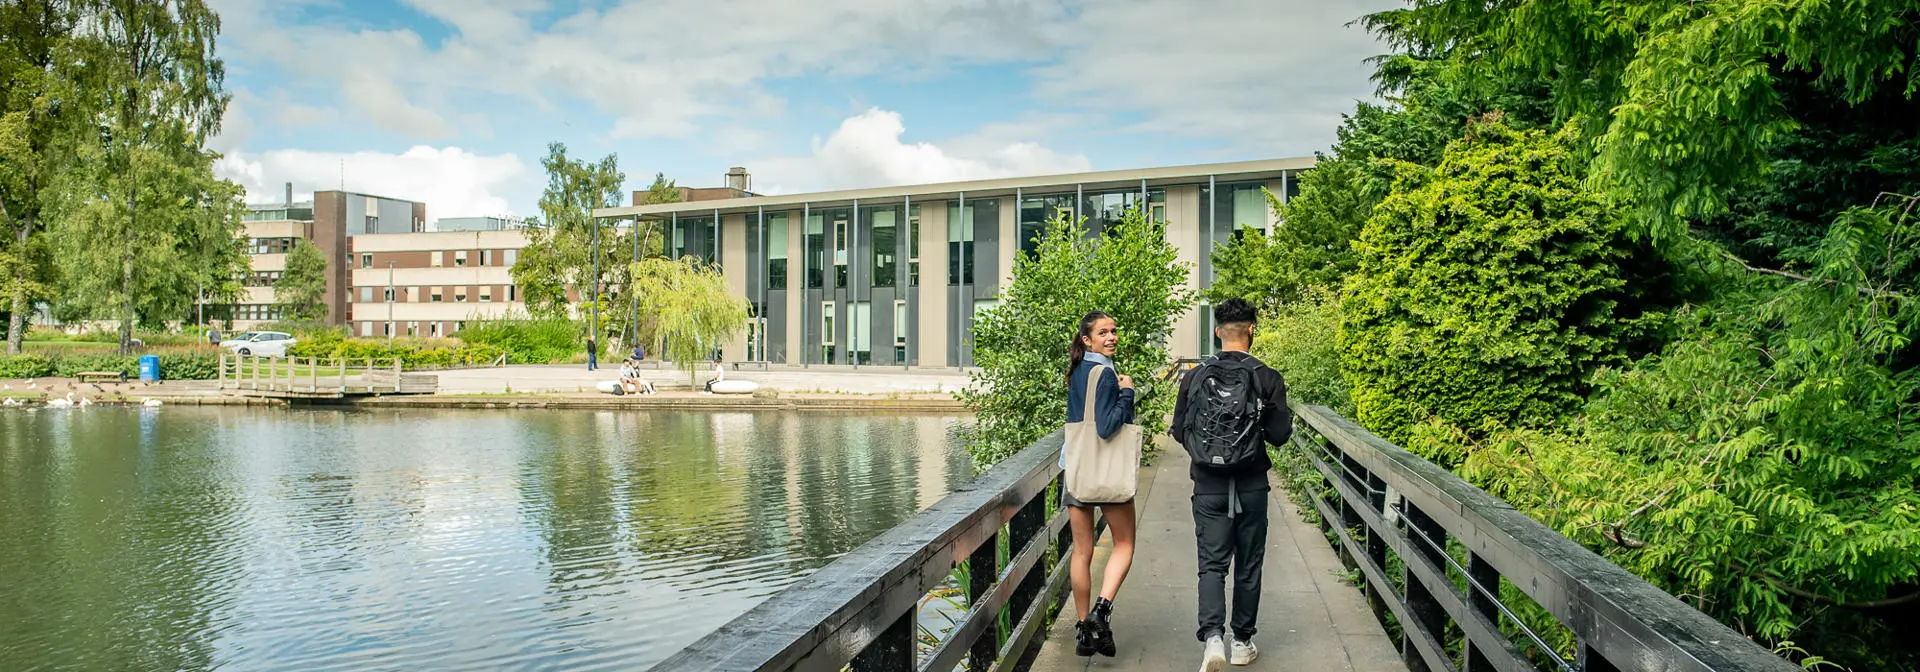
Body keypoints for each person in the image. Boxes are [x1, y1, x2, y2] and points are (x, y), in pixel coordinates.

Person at [1171, 298, 1292, 671]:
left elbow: (1178, 430)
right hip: (1252, 486)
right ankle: (1241, 641)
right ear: (1252, 330)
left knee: (1211, 565)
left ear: (1217, 331)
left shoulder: (1195, 376)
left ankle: (1212, 640)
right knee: (1248, 565)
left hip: (1208, 486)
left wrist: (1210, 452)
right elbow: (1280, 435)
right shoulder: (1267, 377)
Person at [1062, 311, 1138, 658]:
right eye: (1103, 333)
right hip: (1104, 472)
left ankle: (1083, 633)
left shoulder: (1078, 371)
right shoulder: (1106, 374)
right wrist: (1127, 393)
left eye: (1114, 331)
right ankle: (1101, 611)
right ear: (1087, 339)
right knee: (1123, 544)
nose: (1111, 337)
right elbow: (1107, 427)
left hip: (1077, 468)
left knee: (1082, 552)